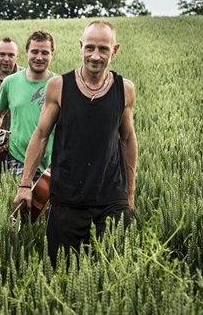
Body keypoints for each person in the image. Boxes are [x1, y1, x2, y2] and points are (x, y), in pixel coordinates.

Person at [13, 20, 138, 268]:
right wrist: (25, 184)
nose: (95, 55)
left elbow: (127, 139)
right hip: (66, 201)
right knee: (63, 272)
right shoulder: (59, 86)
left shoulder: (125, 89)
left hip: (111, 200)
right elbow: (40, 135)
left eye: (103, 49)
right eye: (90, 47)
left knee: (111, 273)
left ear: (115, 50)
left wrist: (130, 195)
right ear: (80, 46)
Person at [0, 30, 56, 178]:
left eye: (45, 53)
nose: (39, 57)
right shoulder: (10, 82)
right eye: (34, 52)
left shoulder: (60, 84)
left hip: (50, 167)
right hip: (17, 161)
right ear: (26, 53)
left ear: (52, 54)